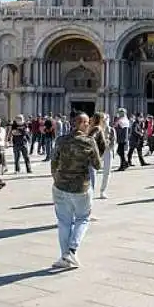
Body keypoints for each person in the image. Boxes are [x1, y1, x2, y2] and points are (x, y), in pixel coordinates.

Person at [51, 112, 101, 269]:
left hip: (60, 186)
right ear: (81, 124)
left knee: (64, 222)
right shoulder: (89, 142)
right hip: (81, 187)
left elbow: (54, 162)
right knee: (82, 219)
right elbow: (97, 165)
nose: (88, 125)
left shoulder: (61, 140)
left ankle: (65, 257)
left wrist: (57, 178)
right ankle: (71, 251)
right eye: (86, 123)